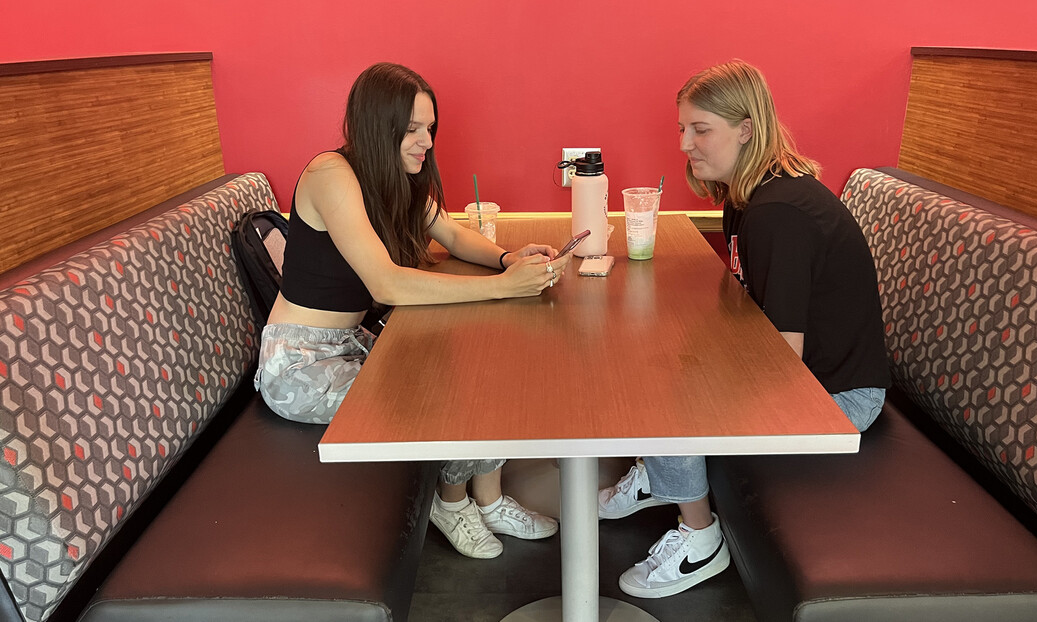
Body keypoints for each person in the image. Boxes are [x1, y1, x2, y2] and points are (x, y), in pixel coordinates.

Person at [599, 60, 892, 598]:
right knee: (658, 351)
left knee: (663, 380)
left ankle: (700, 539)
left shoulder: (781, 213)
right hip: (812, 374)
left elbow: (783, 360)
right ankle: (663, 475)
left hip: (838, 398)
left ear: (747, 128)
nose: (686, 143)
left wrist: (690, 370)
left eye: (701, 129)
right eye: (682, 129)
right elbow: (745, 303)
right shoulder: (747, 194)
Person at [254, 62, 570, 560]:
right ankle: (450, 503)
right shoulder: (330, 174)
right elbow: (387, 282)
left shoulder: (398, 175)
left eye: (430, 128)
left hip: (353, 344)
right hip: (300, 366)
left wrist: (508, 258)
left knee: (482, 370)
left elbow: (453, 234)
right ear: (379, 128)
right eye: (412, 130)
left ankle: (488, 500)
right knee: (448, 400)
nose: (426, 141)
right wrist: (504, 288)